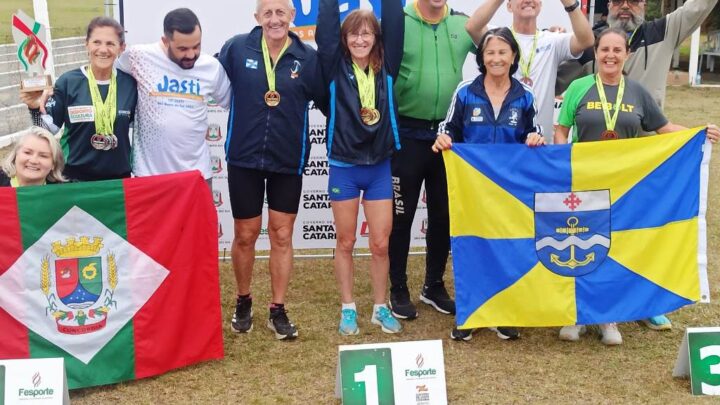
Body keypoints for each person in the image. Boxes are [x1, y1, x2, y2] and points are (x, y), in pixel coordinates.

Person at [554, 28, 719, 344]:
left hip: (625, 186)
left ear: (626, 54)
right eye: (604, 49)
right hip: (584, 183)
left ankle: (609, 319)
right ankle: (577, 315)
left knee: (616, 248)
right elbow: (561, 130)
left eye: (617, 49)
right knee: (584, 246)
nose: (610, 55)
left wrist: (699, 132)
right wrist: (564, 159)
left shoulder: (638, 92)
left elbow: (665, 128)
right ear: (597, 53)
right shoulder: (578, 87)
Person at [217, 0, 324, 340]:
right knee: (246, 234)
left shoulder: (308, 59)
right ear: (257, 18)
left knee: (281, 234)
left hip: (287, 160)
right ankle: (243, 299)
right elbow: (203, 79)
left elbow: (331, 101)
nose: (275, 19)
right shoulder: (236, 48)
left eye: (281, 13)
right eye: (268, 13)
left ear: (293, 17)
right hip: (244, 158)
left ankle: (278, 309)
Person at [432, 27, 545, 342]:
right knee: (472, 249)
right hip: (473, 188)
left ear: (513, 57)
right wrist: (444, 138)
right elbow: (449, 126)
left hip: (510, 189)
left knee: (508, 248)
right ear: (482, 57)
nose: (496, 58)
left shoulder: (525, 95)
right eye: (490, 52)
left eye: (502, 52)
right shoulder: (466, 91)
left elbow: (531, 131)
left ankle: (505, 313)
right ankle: (470, 315)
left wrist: (534, 138)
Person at [315, 0, 404, 335]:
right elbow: (324, 29)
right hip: (345, 166)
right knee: (346, 241)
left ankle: (381, 307)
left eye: (366, 34)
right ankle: (348, 308)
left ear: (376, 38)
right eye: (353, 34)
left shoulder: (388, 64)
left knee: (381, 243)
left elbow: (395, 19)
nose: (360, 40)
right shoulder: (334, 65)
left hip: (379, 165)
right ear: (345, 39)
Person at [388, 0, 477, 325]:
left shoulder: (462, 25)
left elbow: (503, 49)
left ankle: (433, 285)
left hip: (447, 135)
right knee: (401, 216)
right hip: (406, 134)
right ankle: (398, 288)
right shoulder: (399, 21)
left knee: (443, 215)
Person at [115, 8, 231, 189]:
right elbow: (107, 75)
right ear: (165, 41)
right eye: (183, 49)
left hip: (196, 175)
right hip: (149, 176)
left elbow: (234, 103)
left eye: (197, 46)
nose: (191, 54)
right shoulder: (138, 56)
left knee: (201, 219)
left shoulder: (211, 67)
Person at [20, 17, 137, 181]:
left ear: (121, 48)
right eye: (97, 42)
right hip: (73, 180)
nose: (103, 49)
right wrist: (34, 107)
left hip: (117, 181)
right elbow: (46, 130)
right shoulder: (68, 81)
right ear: (87, 44)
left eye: (110, 44)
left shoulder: (129, 84)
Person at [465, 0, 594, 144]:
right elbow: (472, 27)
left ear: (540, 4)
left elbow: (586, 40)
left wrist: (568, 3)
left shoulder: (553, 41)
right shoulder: (498, 39)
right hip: (503, 141)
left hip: (538, 142)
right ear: (509, 6)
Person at [557, 0, 718, 110]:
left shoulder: (663, 32)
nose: (625, 6)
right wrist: (549, 42)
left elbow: (698, 7)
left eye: (633, 1)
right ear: (609, 5)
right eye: (618, 1)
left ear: (644, 5)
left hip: (646, 143)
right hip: (599, 144)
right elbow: (552, 82)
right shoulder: (590, 42)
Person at [1, 127, 66, 187]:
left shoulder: (63, 193)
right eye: (27, 153)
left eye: (43, 156)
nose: (33, 161)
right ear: (15, 155)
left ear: (53, 164)